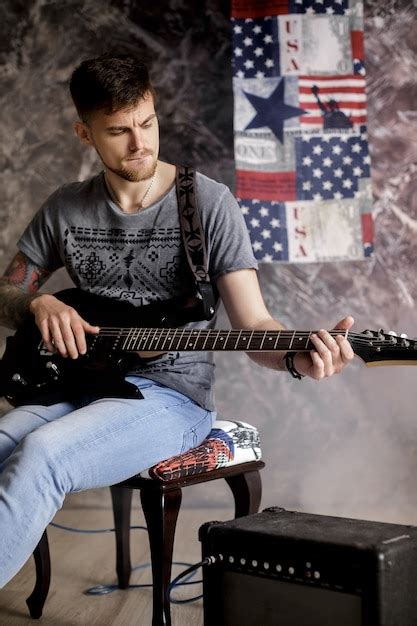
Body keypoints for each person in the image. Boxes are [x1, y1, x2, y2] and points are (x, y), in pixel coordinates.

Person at [0, 55, 354, 588]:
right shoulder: (65, 208)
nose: (139, 143)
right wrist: (36, 305)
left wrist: (295, 356)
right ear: (85, 133)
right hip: (81, 383)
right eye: (118, 131)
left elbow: (254, 323)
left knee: (43, 455)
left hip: (171, 397)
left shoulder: (207, 204)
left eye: (146, 123)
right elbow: (7, 292)